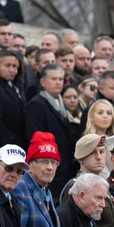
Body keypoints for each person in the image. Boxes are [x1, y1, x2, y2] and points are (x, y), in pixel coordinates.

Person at [25, 63, 76, 198]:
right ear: (43, 81)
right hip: (50, 165)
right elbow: (34, 136)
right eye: (54, 79)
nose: (58, 83)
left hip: (63, 165)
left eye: (61, 79)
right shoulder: (37, 103)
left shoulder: (60, 102)